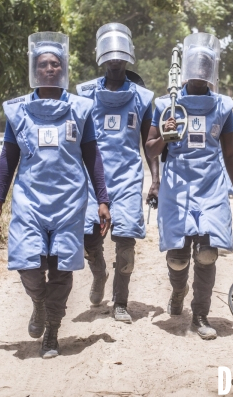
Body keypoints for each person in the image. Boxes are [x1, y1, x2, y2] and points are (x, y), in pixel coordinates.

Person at [0, 32, 111, 359]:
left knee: (60, 268)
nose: (50, 68)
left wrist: (102, 199)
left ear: (64, 68)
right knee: (28, 263)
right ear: (34, 69)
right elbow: (7, 158)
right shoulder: (18, 112)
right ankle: (39, 304)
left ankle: (52, 330)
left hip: (69, 203)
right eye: (43, 64)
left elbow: (92, 156)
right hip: (29, 202)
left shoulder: (80, 109)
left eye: (56, 63)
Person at [145, 32, 233, 340]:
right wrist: (165, 135)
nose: (201, 69)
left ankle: (200, 314)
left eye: (207, 63)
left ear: (213, 67)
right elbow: (150, 149)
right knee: (178, 257)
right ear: (187, 66)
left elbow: (230, 153)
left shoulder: (222, 107)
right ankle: (178, 292)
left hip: (211, 186)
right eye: (196, 62)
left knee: (206, 254)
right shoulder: (167, 105)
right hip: (176, 188)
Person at [76, 23, 158, 323]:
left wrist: (155, 180)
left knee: (125, 243)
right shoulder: (85, 93)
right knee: (89, 238)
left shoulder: (143, 98)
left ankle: (120, 301)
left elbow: (148, 144)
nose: (115, 61)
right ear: (101, 57)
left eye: (120, 56)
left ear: (128, 58)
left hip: (126, 179)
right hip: (89, 179)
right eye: (110, 57)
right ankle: (99, 274)